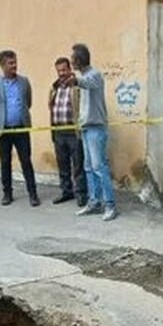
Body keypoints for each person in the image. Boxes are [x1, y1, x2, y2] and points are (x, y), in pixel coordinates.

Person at [66, 43, 118, 221]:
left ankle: (110, 205)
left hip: (96, 128)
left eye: (73, 59)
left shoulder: (94, 75)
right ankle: (94, 202)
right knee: (88, 167)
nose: (71, 62)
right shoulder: (83, 77)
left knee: (99, 166)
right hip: (86, 128)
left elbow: (86, 83)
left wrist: (75, 80)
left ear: (79, 60)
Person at [0, 50, 38, 206]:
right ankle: (7, 193)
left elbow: (28, 102)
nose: (14, 65)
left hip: (21, 128)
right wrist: (1, 117)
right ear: (2, 65)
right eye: (10, 63)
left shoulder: (24, 82)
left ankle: (33, 194)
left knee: (26, 161)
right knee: (5, 161)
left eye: (15, 62)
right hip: (3, 130)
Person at [49, 56, 85, 206]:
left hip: (73, 131)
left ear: (70, 69)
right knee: (62, 164)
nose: (62, 73)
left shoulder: (77, 86)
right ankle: (66, 192)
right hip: (58, 131)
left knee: (78, 165)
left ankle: (81, 194)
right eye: (59, 71)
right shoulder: (54, 88)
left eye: (64, 69)